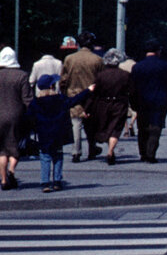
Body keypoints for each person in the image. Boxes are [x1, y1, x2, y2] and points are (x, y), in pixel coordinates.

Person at [27, 74, 94, 192]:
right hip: (58, 133)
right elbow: (74, 101)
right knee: (58, 156)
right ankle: (57, 181)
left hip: (44, 134)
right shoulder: (59, 99)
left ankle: (45, 183)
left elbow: (29, 117)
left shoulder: (36, 102)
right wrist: (88, 90)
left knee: (45, 157)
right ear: (52, 86)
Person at [129, 39, 167, 163]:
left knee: (142, 127)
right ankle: (151, 153)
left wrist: (133, 102)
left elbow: (132, 87)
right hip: (160, 100)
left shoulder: (137, 67)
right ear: (158, 51)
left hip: (142, 101)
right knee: (156, 127)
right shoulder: (166, 66)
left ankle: (143, 153)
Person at [61, 31, 103, 161]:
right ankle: (92, 149)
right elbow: (101, 79)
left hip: (73, 93)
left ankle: (76, 151)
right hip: (92, 95)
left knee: (76, 123)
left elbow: (64, 79)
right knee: (91, 123)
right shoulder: (98, 60)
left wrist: (64, 92)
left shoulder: (69, 59)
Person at [90, 49, 132, 165]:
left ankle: (110, 151)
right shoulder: (125, 75)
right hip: (120, 104)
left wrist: (90, 107)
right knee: (116, 128)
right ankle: (110, 151)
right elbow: (131, 90)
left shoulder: (100, 75)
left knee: (107, 126)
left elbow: (95, 92)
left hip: (103, 104)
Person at [0, 46, 33, 191]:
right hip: (16, 116)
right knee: (14, 146)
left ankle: (3, 180)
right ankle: (12, 170)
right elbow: (27, 99)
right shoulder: (22, 76)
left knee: (2, 149)